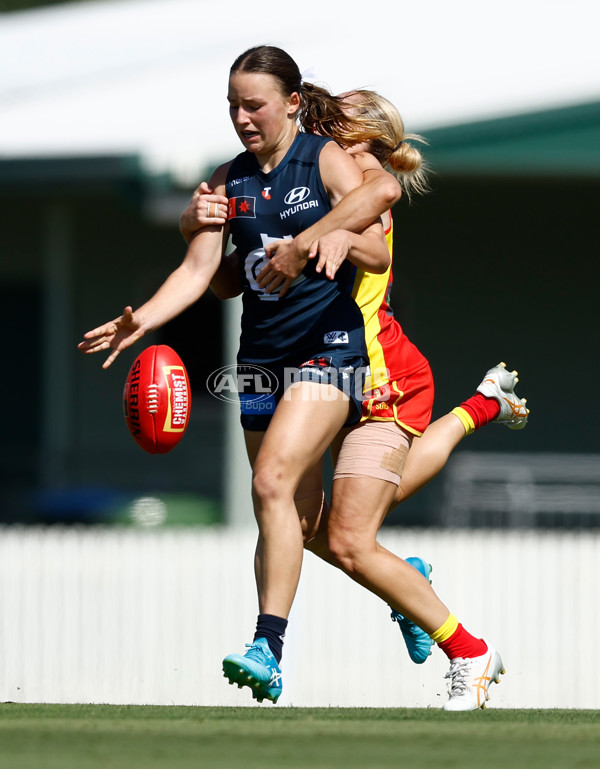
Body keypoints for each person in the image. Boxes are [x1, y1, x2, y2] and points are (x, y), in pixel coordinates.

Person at [181, 86, 529, 710]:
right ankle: (415, 571)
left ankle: (470, 651)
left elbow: (373, 226)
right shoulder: (324, 177)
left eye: (331, 122)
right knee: (311, 526)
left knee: (348, 539)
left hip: (381, 375)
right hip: (330, 373)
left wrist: (319, 235)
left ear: (364, 138)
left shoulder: (361, 182)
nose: (319, 130)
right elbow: (238, 270)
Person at [78, 46, 400, 707]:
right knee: (289, 513)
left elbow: (378, 219)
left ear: (289, 102)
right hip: (261, 358)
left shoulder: (324, 158)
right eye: (233, 106)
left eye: (254, 104)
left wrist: (319, 236)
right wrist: (144, 322)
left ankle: (267, 648)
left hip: (330, 350)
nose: (242, 117)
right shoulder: (229, 179)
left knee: (269, 480)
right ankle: (396, 580)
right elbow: (199, 273)